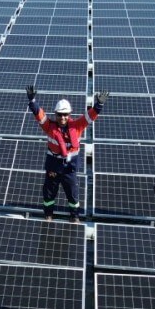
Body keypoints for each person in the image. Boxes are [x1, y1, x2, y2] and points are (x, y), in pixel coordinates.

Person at [26, 85, 107, 223]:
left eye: (65, 114)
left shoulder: (77, 126)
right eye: (59, 114)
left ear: (69, 115)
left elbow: (89, 117)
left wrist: (98, 105)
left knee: (72, 194)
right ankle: (48, 215)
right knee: (49, 193)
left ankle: (74, 217)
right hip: (53, 166)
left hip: (70, 168)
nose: (62, 117)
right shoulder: (49, 126)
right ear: (55, 114)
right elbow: (40, 116)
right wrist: (33, 101)